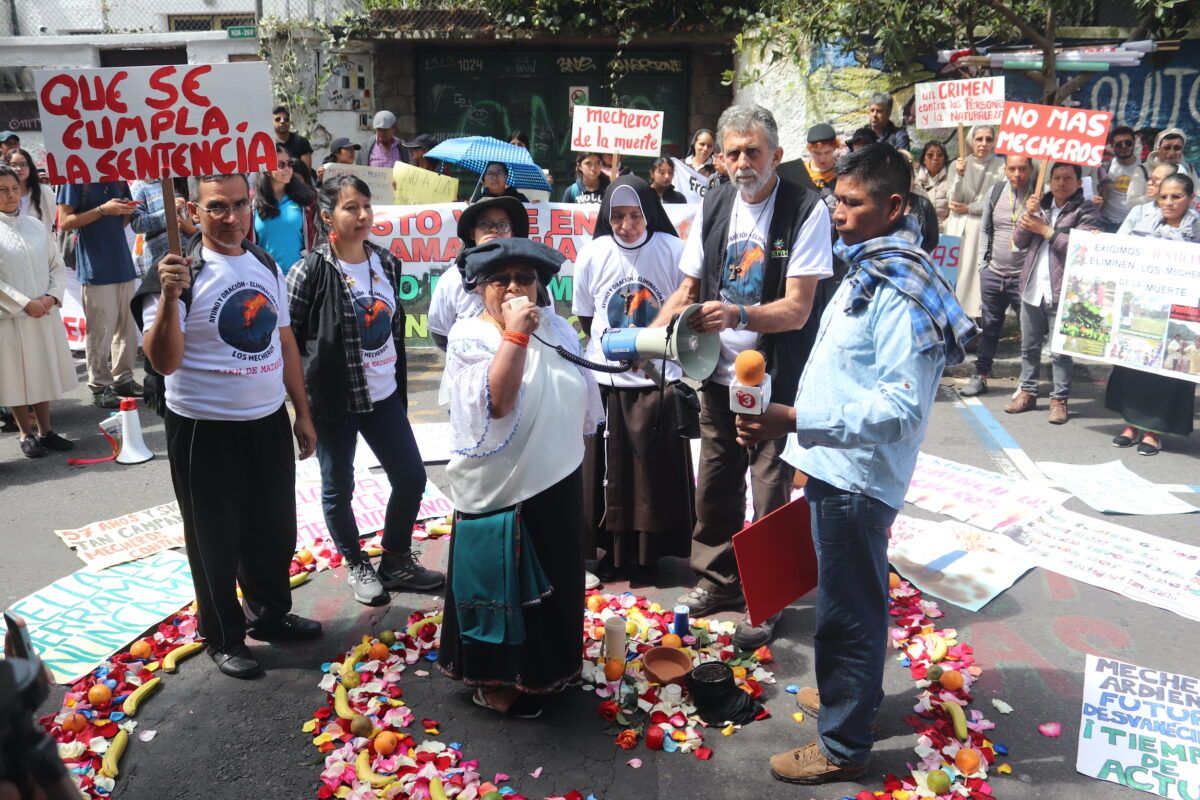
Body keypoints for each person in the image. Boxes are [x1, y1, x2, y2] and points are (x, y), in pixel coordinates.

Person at [736, 143, 975, 785]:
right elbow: (841, 373)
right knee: (848, 601)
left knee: (847, 613)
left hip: (859, 479)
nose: (836, 212)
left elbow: (897, 407)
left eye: (852, 202)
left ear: (893, 206)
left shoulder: (899, 287)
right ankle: (850, 699)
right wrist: (805, 447)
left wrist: (792, 421)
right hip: (833, 464)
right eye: (835, 199)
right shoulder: (871, 266)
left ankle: (843, 745)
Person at [654, 104, 832, 646]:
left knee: (770, 487)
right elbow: (687, 290)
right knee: (715, 483)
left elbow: (799, 308)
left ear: (776, 155)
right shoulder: (713, 201)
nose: (741, 162)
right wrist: (648, 335)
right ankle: (718, 581)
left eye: (753, 151)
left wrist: (739, 314)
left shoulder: (806, 210)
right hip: (714, 373)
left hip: (774, 375)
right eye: (732, 152)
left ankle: (768, 594)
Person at [132, 173, 322, 679]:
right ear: (193, 213)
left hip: (266, 423)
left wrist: (301, 412)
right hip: (204, 429)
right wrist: (171, 299)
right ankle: (221, 634)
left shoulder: (264, 263)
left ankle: (269, 614)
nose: (232, 217)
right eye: (217, 207)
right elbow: (163, 361)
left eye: (240, 205)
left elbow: (284, 343)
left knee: (273, 531)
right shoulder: (176, 272)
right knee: (214, 539)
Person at [436, 237, 602, 719]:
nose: (513, 287)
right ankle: (499, 681)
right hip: (503, 489)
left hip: (557, 477)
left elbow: (581, 397)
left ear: (540, 286)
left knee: (555, 578)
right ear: (479, 288)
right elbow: (499, 402)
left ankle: (551, 672)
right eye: (499, 279)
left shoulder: (557, 329)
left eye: (524, 278)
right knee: (505, 587)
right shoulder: (471, 336)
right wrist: (514, 335)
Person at [287, 174, 444, 602]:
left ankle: (394, 560)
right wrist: (302, 410)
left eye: (366, 206)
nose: (362, 215)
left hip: (383, 396)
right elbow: (289, 341)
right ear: (327, 216)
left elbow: (392, 331)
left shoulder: (386, 262)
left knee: (411, 478)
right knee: (339, 487)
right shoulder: (309, 271)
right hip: (335, 400)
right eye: (350, 207)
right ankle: (356, 563)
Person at [573, 177, 694, 582]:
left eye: (635, 215)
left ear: (649, 213)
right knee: (611, 474)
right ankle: (613, 551)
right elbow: (588, 316)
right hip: (607, 382)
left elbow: (686, 305)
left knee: (651, 477)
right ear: (607, 217)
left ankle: (653, 553)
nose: (626, 225)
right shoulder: (593, 255)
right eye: (618, 216)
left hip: (656, 380)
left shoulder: (673, 251)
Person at [1107, 173, 1198, 455]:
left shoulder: (1196, 232)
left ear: (1191, 198)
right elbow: (1120, 253)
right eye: (1163, 197)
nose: (1168, 203)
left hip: (1182, 316)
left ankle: (1154, 432)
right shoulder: (1143, 225)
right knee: (1136, 367)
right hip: (1145, 312)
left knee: (1168, 373)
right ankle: (1131, 426)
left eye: (1176, 196)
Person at [1007, 162, 1101, 424]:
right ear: (1049, 181)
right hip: (1032, 286)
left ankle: (1059, 400)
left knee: (1060, 351)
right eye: (1056, 177)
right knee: (1029, 346)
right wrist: (1029, 218)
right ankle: (1027, 392)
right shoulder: (1040, 205)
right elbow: (1019, 241)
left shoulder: (1086, 210)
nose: (1061, 182)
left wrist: (1046, 231)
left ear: (1079, 182)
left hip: (1062, 291)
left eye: (1067, 178)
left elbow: (1082, 250)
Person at [0, 165, 77, 458]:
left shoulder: (34, 225)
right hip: (10, 317)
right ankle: (25, 432)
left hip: (42, 313)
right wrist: (24, 303)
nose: (10, 195)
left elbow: (56, 266)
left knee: (41, 370)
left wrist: (50, 298)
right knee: (16, 376)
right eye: (3, 190)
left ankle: (46, 430)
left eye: (14, 188)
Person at [57, 180, 141, 409]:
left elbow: (122, 219)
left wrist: (125, 209)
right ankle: (99, 385)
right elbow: (64, 222)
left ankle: (123, 379)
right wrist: (103, 210)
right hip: (95, 266)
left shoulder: (116, 174)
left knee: (127, 329)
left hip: (122, 263)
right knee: (100, 332)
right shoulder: (73, 177)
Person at [960, 155, 1036, 397]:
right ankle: (980, 376)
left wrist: (1038, 211)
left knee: (1030, 334)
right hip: (994, 273)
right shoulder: (996, 191)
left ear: (1031, 169)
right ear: (1005, 170)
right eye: (1012, 169)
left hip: (1024, 277)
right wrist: (984, 265)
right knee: (989, 329)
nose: (1017, 174)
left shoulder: (1039, 195)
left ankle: (1026, 385)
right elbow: (986, 228)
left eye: (1022, 169)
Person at [428, 196, 527, 351]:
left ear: (512, 233)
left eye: (503, 225)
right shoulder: (452, 279)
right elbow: (440, 335)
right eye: (485, 224)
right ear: (472, 233)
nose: (494, 230)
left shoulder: (532, 278)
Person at [947, 124, 1004, 317]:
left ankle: (976, 322)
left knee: (975, 281)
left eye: (988, 139)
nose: (984, 143)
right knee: (955, 276)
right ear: (972, 140)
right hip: (957, 227)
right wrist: (959, 175)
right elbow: (953, 199)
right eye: (979, 139)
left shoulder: (1002, 167)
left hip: (982, 229)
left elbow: (997, 201)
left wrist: (970, 208)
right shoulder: (958, 164)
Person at [253, 144, 318, 275]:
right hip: (265, 276)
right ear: (266, 170)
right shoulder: (251, 203)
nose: (287, 169)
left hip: (300, 276)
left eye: (289, 164)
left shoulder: (306, 201)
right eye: (281, 165)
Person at [130, 178, 198, 277]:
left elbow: (197, 218)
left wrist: (189, 223)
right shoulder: (140, 186)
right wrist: (169, 212)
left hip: (191, 256)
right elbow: (137, 224)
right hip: (160, 263)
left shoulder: (182, 180)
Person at [1098, 126, 1147, 233]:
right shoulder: (1106, 167)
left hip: (1134, 225)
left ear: (1134, 142)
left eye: (1128, 142)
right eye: (1119, 144)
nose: (1124, 147)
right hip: (1107, 223)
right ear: (1112, 146)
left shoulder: (1145, 167)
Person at [3, 149, 56, 231]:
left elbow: (55, 216)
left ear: (30, 166)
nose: (18, 168)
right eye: (13, 165)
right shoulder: (3, 194)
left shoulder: (44, 191)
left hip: (43, 241)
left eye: (23, 164)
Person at [1122, 162, 1177, 230]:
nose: (1149, 183)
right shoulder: (1138, 211)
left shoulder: (1186, 215)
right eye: (1150, 179)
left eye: (1155, 180)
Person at [913, 141, 951, 228]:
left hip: (945, 230)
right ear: (923, 159)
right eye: (930, 155)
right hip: (920, 229)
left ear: (944, 159)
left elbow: (954, 209)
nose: (935, 158)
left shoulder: (952, 179)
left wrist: (944, 226)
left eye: (940, 155)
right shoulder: (915, 181)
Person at [272, 106, 314, 183]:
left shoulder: (301, 142)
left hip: (299, 182)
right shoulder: (268, 144)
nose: (282, 121)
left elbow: (306, 171)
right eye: (277, 119)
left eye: (286, 119)